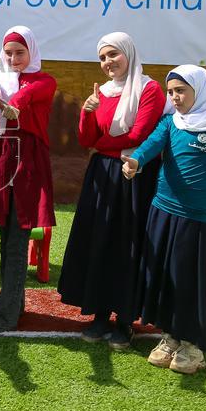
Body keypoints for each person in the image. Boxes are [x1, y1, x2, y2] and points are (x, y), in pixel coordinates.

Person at [123, 65, 206, 374]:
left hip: (196, 218)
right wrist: (136, 160)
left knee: (191, 280)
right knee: (164, 275)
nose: (174, 97)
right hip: (162, 210)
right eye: (171, 91)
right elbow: (152, 144)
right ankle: (170, 335)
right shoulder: (171, 122)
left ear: (199, 91)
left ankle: (194, 345)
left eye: (181, 91)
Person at [57, 32, 166, 350]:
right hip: (103, 177)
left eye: (113, 55)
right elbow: (85, 138)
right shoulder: (101, 93)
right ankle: (100, 314)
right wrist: (87, 112)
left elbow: (140, 133)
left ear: (129, 53)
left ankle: (125, 320)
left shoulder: (149, 88)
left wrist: (100, 146)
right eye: (102, 57)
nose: (107, 63)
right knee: (100, 241)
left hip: (134, 177)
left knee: (128, 245)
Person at [0, 26, 57, 333]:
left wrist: (13, 105)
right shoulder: (1, 78)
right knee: (7, 239)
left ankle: (4, 315)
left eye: (20, 52)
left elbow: (25, 95)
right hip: (4, 159)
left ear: (32, 52)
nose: (14, 58)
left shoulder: (44, 80)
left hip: (27, 163)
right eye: (9, 53)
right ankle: (15, 304)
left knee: (17, 239)